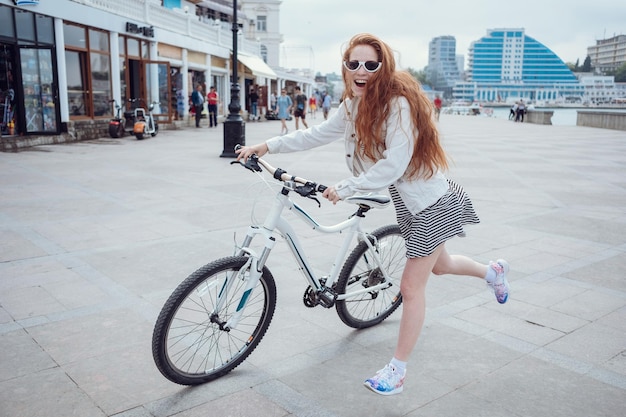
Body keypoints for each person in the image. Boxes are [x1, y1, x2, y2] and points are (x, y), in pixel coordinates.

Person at [235, 33, 510, 397]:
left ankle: (397, 371)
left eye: (370, 64)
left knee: (412, 287)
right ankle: (494, 272)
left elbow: (394, 163)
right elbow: (317, 133)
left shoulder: (398, 105)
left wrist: (346, 187)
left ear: (383, 68)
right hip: (410, 203)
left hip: (433, 203)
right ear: (346, 68)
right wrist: (267, 145)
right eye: (354, 64)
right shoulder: (352, 105)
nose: (361, 70)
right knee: (441, 266)